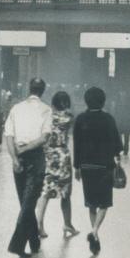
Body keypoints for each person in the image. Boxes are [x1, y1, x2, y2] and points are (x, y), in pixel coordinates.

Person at [4, 76, 52, 257]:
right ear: (43, 91)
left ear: (28, 89)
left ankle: (33, 241)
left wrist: (15, 158)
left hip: (18, 157)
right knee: (28, 202)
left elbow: (8, 136)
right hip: (35, 158)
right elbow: (44, 138)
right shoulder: (46, 110)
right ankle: (17, 245)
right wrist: (26, 149)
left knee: (25, 202)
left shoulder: (16, 108)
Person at [72, 86, 123, 255]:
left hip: (87, 167)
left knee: (91, 204)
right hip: (104, 167)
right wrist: (117, 157)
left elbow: (76, 145)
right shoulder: (108, 119)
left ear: (86, 100)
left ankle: (95, 235)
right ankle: (94, 232)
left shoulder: (80, 119)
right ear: (103, 101)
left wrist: (76, 167)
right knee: (104, 203)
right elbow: (117, 144)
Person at [35, 90, 79, 240]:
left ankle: (39, 225)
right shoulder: (68, 118)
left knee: (45, 191)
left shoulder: (45, 116)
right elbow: (72, 115)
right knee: (65, 193)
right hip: (62, 156)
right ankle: (67, 224)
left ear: (53, 103)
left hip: (47, 156)